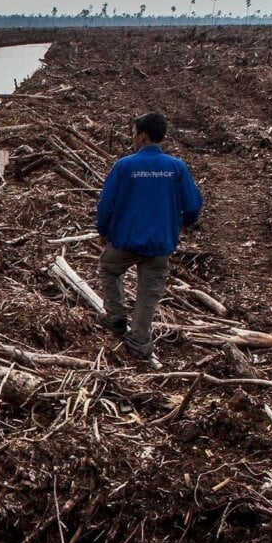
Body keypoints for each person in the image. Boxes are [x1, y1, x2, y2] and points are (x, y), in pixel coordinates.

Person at [94, 111, 202, 363]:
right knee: (148, 292)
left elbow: (106, 205)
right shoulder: (176, 168)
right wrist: (179, 224)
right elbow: (194, 206)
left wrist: (103, 231)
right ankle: (140, 340)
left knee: (109, 267)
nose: (133, 138)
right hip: (159, 245)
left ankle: (116, 317)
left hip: (126, 241)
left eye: (134, 134)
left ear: (142, 137)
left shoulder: (125, 166)